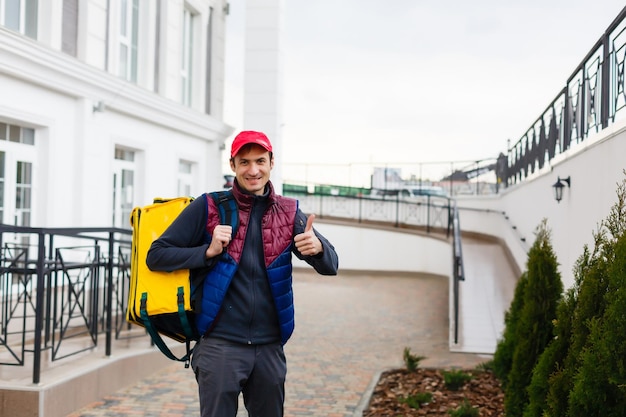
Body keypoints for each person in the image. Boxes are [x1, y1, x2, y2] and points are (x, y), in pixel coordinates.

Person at [146, 130, 339, 417]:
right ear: (233, 164)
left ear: (272, 162)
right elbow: (156, 255)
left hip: (269, 349)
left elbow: (331, 266)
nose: (253, 170)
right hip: (219, 347)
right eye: (244, 162)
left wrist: (318, 248)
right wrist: (207, 252)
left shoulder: (288, 212)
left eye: (260, 161)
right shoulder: (209, 206)